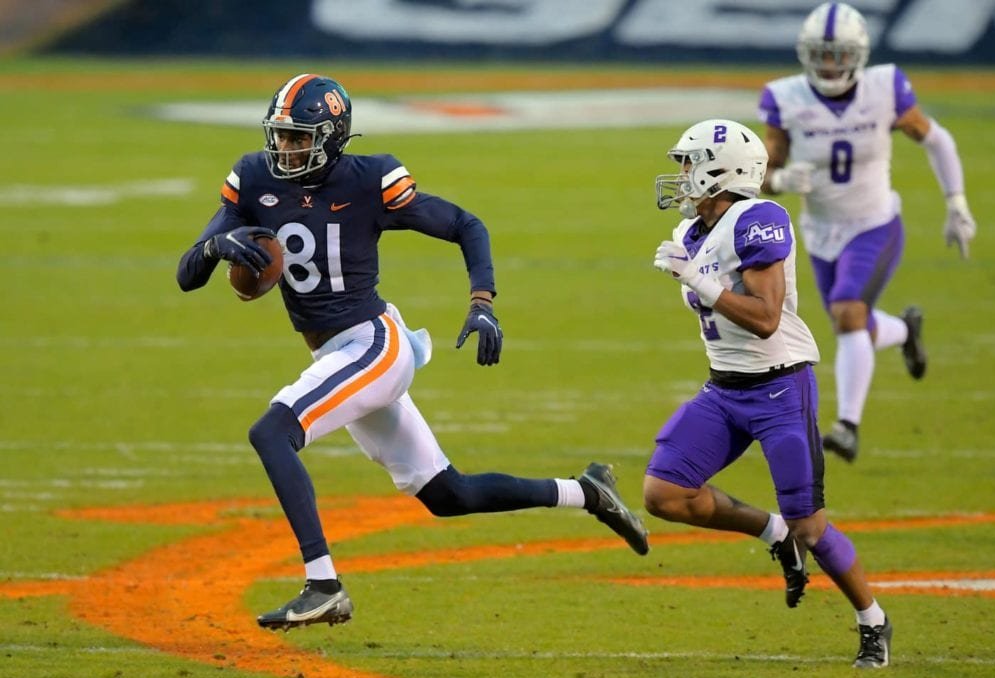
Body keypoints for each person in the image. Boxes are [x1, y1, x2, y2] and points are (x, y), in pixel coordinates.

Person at [176, 73, 648, 631]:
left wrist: (482, 301)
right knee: (449, 493)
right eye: (281, 135)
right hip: (335, 353)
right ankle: (587, 493)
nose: (286, 148)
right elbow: (188, 275)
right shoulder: (255, 178)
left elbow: (466, 225)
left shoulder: (370, 179)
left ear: (332, 136)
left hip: (372, 343)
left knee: (271, 432)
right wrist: (213, 245)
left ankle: (323, 583)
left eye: (300, 137)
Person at [645, 118, 892, 668]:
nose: (681, 175)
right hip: (724, 389)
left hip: (780, 387)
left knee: (813, 522)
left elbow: (765, 319)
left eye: (690, 163)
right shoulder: (694, 233)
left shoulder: (758, 218)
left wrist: (699, 281)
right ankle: (772, 531)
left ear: (721, 169)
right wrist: (697, 275)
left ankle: (872, 619)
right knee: (663, 493)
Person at [758, 2, 977, 462]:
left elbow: (936, 138)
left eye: (838, 54)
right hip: (819, 233)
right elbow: (759, 173)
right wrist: (778, 180)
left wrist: (955, 201)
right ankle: (905, 330)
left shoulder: (885, 87)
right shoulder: (786, 97)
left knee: (846, 313)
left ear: (858, 54)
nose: (829, 64)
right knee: (853, 321)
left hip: (875, 223)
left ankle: (848, 426)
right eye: (821, 53)